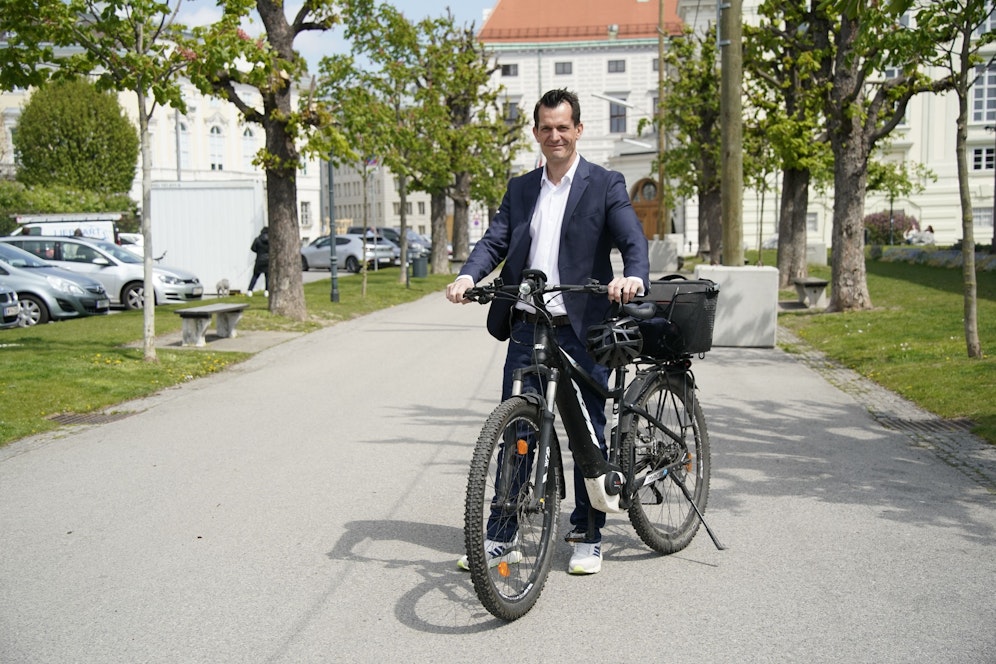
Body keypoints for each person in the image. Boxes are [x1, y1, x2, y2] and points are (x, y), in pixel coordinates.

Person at [445, 88, 650, 575]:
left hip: (581, 324)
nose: (554, 135)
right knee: (518, 430)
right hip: (526, 323)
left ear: (578, 130)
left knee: (587, 433)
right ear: (536, 133)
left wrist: (633, 274)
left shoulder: (605, 183)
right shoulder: (520, 188)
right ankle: (501, 536)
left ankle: (587, 531)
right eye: (546, 128)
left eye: (563, 127)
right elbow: (495, 239)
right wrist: (469, 275)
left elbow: (630, 237)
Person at [248, 227, 269, 294]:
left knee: (255, 275)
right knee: (267, 277)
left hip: (259, 260)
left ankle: (250, 290)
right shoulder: (270, 240)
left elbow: (253, 248)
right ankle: (267, 291)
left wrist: (259, 251)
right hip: (268, 260)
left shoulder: (257, 240)